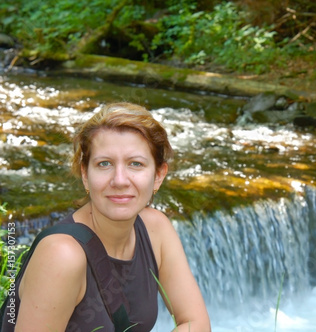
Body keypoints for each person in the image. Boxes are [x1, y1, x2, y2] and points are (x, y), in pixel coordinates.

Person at [2, 103, 211, 331]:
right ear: (85, 174)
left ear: (159, 176)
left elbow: (195, 322)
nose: (120, 180)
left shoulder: (156, 229)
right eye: (104, 164)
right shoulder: (61, 255)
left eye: (135, 164)